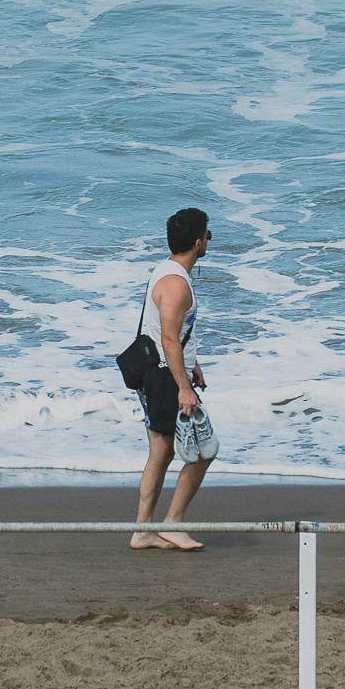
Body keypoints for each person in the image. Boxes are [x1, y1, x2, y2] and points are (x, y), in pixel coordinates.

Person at [130, 206, 213, 551]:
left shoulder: (164, 270)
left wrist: (191, 363)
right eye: (208, 235)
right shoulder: (178, 284)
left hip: (159, 372)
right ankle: (172, 523)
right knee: (203, 451)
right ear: (197, 243)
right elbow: (167, 337)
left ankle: (143, 530)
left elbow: (170, 333)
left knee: (161, 453)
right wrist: (183, 387)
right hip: (166, 378)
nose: (209, 240)